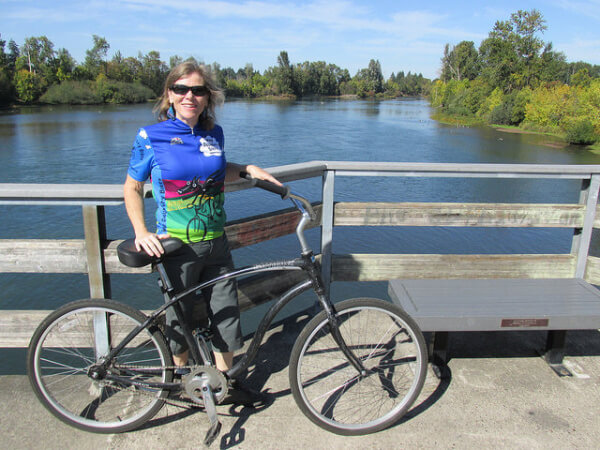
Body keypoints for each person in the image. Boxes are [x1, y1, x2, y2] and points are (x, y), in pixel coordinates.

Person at [123, 61, 279, 406]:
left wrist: (246, 168)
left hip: (216, 243)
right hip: (175, 247)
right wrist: (141, 231)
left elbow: (216, 173)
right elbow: (132, 187)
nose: (189, 96)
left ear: (208, 97)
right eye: (181, 89)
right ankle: (181, 383)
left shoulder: (214, 134)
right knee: (179, 323)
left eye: (198, 90)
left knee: (227, 316)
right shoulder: (151, 137)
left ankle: (224, 384)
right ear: (169, 95)